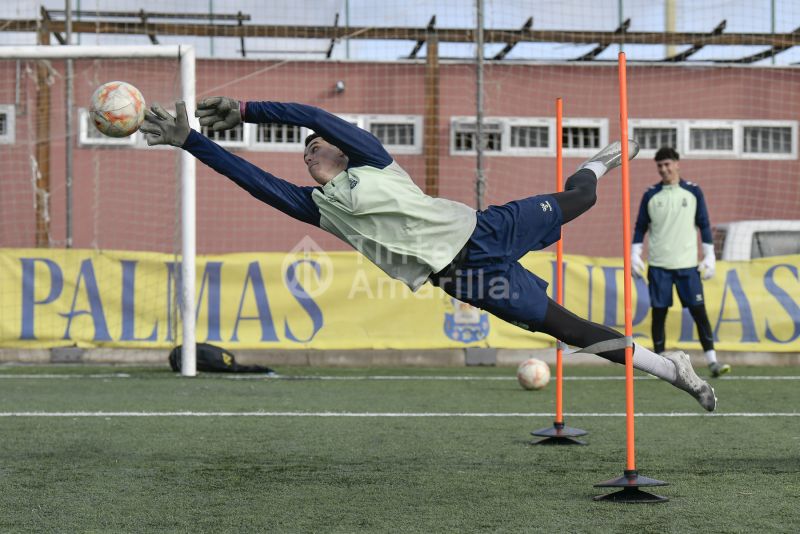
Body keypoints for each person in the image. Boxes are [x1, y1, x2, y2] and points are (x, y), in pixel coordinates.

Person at [139, 98, 717, 411]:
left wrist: (248, 111)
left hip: (488, 230)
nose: (310, 153)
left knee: (581, 198)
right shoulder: (319, 207)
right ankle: (673, 371)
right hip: (462, 278)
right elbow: (251, 179)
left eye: (316, 148)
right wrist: (191, 141)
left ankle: (600, 160)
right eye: (305, 155)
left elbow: (317, 116)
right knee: (571, 330)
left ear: (340, 150)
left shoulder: (373, 162)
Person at [632, 147, 731, 378]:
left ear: (677, 164)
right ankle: (657, 366)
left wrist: (709, 256)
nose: (664, 169)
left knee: (699, 311)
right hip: (659, 266)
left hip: (687, 265)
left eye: (668, 164)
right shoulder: (650, 195)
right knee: (659, 313)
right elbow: (640, 226)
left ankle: (713, 361)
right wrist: (634, 254)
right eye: (660, 166)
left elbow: (704, 224)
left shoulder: (693, 192)